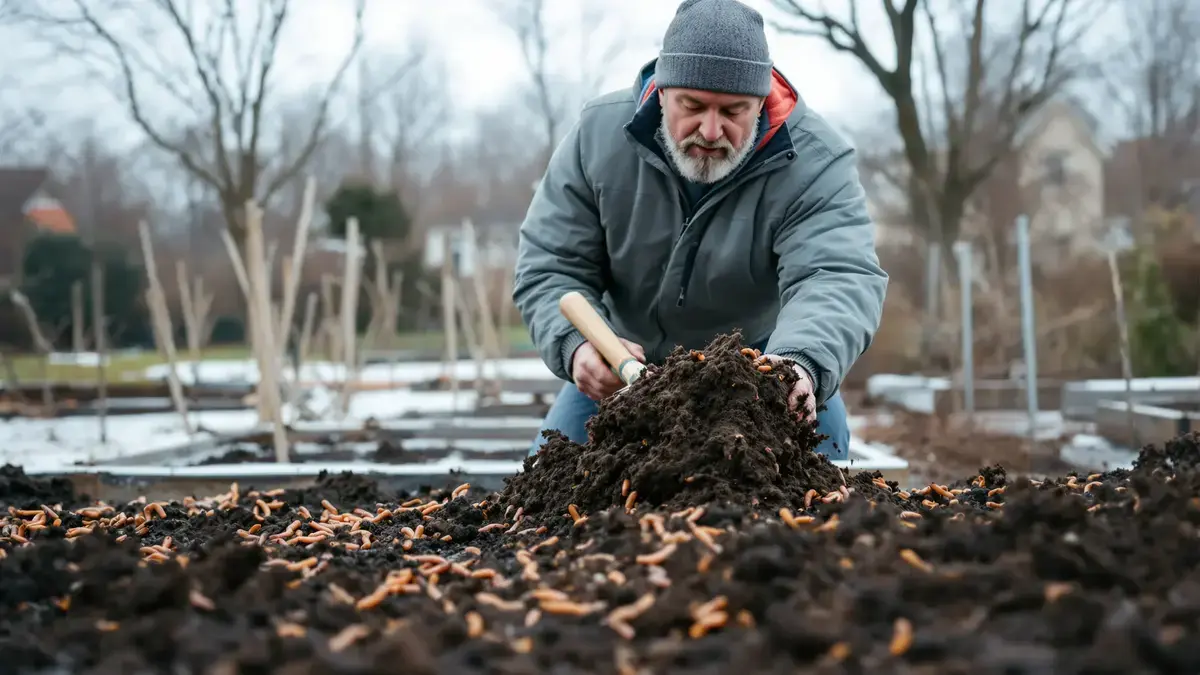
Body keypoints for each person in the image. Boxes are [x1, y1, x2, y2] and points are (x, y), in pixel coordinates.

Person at [512, 0, 888, 460]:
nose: (711, 130)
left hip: (760, 371)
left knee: (820, 488)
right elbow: (550, 266)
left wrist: (800, 365)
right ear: (663, 92)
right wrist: (577, 349)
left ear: (762, 99)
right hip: (624, 364)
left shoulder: (816, 161)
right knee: (542, 493)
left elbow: (836, 275)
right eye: (693, 106)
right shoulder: (597, 136)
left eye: (735, 110)